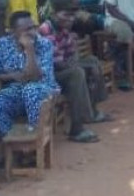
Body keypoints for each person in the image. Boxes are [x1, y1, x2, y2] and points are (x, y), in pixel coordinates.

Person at [0, 11, 57, 136]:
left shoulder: (44, 44)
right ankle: (12, 139)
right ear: (13, 31)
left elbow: (35, 77)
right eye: (27, 29)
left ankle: (35, 138)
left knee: (30, 90)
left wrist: (29, 49)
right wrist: (13, 76)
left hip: (44, 88)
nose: (33, 32)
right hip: (16, 89)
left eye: (34, 27)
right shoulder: (1, 44)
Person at [47, 10, 111, 142]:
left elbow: (71, 54)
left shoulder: (64, 29)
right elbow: (56, 64)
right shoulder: (46, 30)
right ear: (54, 14)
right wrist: (75, 64)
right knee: (77, 74)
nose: (70, 19)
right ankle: (77, 129)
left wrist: (75, 57)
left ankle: (93, 112)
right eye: (66, 14)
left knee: (92, 61)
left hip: (63, 66)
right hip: (49, 73)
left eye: (71, 15)